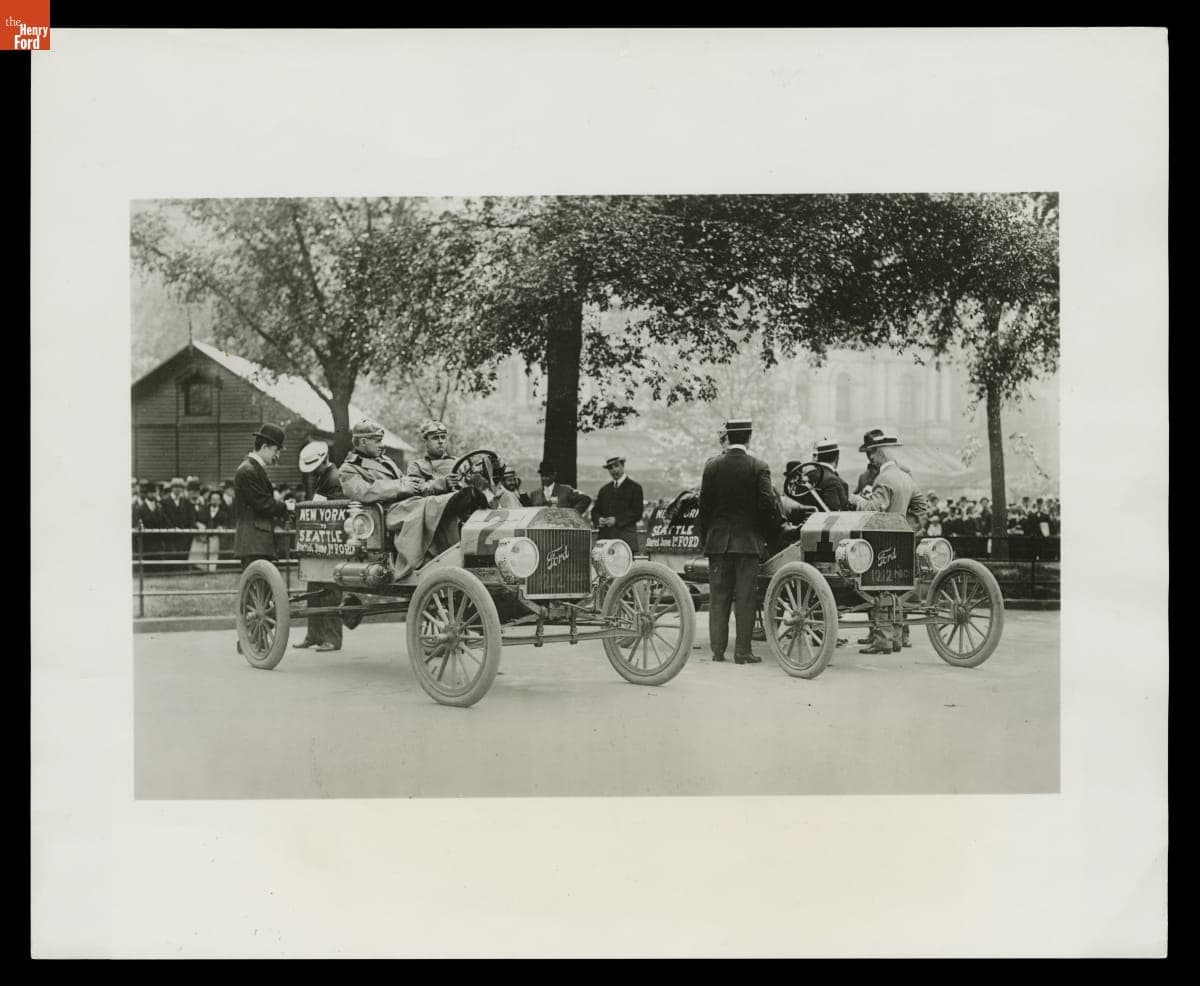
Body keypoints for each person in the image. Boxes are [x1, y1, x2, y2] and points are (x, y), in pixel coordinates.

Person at [339, 418, 487, 578]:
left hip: (405, 506)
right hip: (385, 514)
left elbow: (413, 485)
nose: (382, 445)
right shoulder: (349, 469)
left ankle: (452, 558)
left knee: (433, 508)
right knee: (428, 506)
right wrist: (400, 486)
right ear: (363, 442)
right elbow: (363, 492)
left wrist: (438, 484)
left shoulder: (385, 461)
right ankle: (456, 502)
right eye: (377, 441)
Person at [697, 417, 779, 665]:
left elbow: (704, 507)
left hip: (718, 543)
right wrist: (763, 535)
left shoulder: (712, 466)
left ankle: (718, 651)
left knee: (719, 597)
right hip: (747, 544)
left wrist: (707, 539)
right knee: (745, 598)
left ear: (729, 437)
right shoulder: (759, 466)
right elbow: (767, 505)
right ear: (749, 437)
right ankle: (742, 652)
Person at [847, 429, 927, 654]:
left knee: (880, 588)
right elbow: (921, 507)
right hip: (902, 540)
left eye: (871, 454)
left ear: (876, 454)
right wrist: (905, 527)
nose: (870, 458)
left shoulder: (884, 478)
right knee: (898, 589)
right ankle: (897, 638)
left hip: (883, 541)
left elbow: (874, 507)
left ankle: (882, 641)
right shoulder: (905, 476)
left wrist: (854, 499)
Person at [233, 424, 295, 653]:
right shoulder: (248, 471)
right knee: (257, 594)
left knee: (260, 594)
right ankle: (251, 640)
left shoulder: (251, 469)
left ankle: (251, 639)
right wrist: (285, 506)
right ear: (266, 446)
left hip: (258, 539)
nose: (277, 456)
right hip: (254, 540)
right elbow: (262, 503)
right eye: (276, 450)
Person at [292, 441, 345, 653]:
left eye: (316, 468)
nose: (313, 473)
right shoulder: (324, 477)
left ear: (324, 461)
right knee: (313, 586)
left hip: (333, 541)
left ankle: (332, 638)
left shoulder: (335, 478)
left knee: (330, 589)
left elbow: (336, 509)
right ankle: (314, 634)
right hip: (321, 540)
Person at [593, 455, 644, 555]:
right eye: (610, 468)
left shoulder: (635, 488)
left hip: (625, 540)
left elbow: (637, 512)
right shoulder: (604, 490)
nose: (613, 470)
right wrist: (598, 519)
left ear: (623, 466)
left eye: (616, 466)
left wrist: (616, 520)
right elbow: (595, 510)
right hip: (606, 541)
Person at [799, 437, 851, 511]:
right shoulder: (834, 481)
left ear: (818, 457)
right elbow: (837, 514)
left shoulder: (806, 476)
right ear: (837, 457)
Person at [526, 461, 592, 515]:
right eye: (542, 476)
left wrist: (573, 514)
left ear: (554, 475)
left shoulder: (566, 490)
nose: (544, 478)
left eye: (547, 476)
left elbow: (586, 499)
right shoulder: (534, 494)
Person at [200, 489, 232, 572]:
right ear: (209, 500)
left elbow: (226, 524)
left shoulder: (224, 513)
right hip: (204, 538)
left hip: (216, 538)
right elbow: (199, 521)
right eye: (213, 499)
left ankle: (211, 570)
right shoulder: (203, 511)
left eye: (217, 499)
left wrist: (222, 527)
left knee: (213, 556)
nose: (215, 501)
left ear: (221, 501)